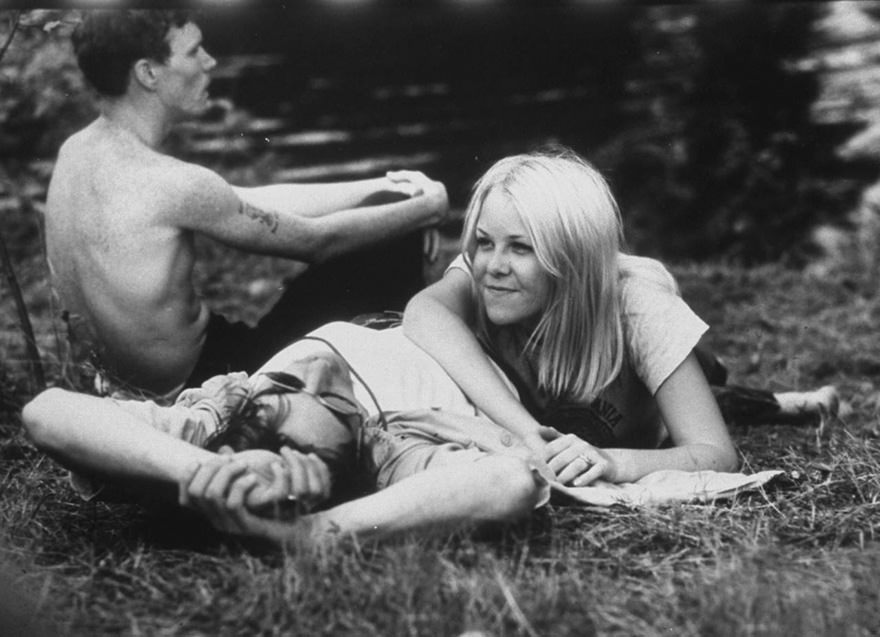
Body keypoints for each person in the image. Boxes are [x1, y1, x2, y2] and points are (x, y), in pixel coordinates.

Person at [46, 10, 449, 399]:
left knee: (395, 204)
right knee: (398, 241)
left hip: (118, 383)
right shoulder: (171, 183)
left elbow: (246, 201)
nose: (211, 61)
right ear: (148, 73)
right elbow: (316, 241)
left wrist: (387, 185)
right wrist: (428, 207)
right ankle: (424, 380)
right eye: (193, 52)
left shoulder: (77, 153)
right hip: (208, 384)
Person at [403, 147, 839, 488]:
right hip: (583, 405)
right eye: (483, 241)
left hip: (647, 380)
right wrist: (527, 431)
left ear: (571, 259)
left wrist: (613, 462)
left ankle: (781, 405)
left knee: (697, 399)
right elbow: (423, 312)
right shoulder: (486, 273)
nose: (493, 265)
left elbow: (715, 453)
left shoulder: (643, 310)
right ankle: (781, 402)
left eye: (522, 248)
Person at [22, 322, 550, 547]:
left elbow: (44, 412)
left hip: (399, 321)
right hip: (481, 362)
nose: (318, 373)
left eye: (278, 398)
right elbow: (510, 482)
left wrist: (204, 470)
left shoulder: (226, 412)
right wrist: (315, 533)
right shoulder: (384, 449)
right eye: (290, 441)